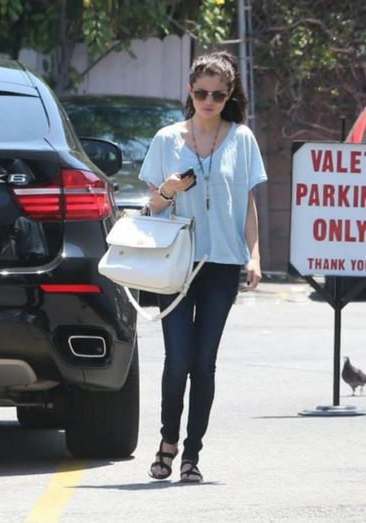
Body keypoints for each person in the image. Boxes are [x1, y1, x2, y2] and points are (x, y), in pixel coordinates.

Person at [139, 50, 267, 483]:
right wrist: (170, 189)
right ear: (189, 92)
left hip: (223, 263)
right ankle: (166, 443)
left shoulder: (243, 139)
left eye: (217, 93)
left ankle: (192, 454)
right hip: (176, 262)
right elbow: (152, 205)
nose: (208, 100)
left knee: (204, 361)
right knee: (178, 359)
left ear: (229, 94)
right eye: (200, 93)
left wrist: (254, 255)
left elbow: (247, 202)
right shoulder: (166, 139)